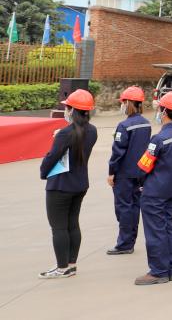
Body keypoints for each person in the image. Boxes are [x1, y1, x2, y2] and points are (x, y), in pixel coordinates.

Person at [39, 89, 98, 279]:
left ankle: (62, 267)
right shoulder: (92, 130)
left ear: (72, 110)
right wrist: (62, 134)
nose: (66, 110)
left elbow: (51, 158)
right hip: (79, 184)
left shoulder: (65, 134)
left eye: (67, 107)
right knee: (72, 224)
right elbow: (77, 139)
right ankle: (71, 265)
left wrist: (43, 173)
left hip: (60, 185)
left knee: (59, 227)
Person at [135, 92, 172, 285]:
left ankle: (158, 271)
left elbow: (143, 166)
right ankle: (171, 268)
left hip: (154, 191)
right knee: (169, 227)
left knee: (155, 231)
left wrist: (141, 182)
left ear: (164, 111)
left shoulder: (158, 139)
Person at [107, 86, 152, 255]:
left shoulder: (124, 125)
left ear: (128, 103)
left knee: (124, 208)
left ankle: (125, 244)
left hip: (124, 174)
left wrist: (111, 171)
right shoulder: (146, 123)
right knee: (134, 207)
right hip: (140, 173)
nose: (122, 105)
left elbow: (117, 152)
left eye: (123, 102)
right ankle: (130, 240)